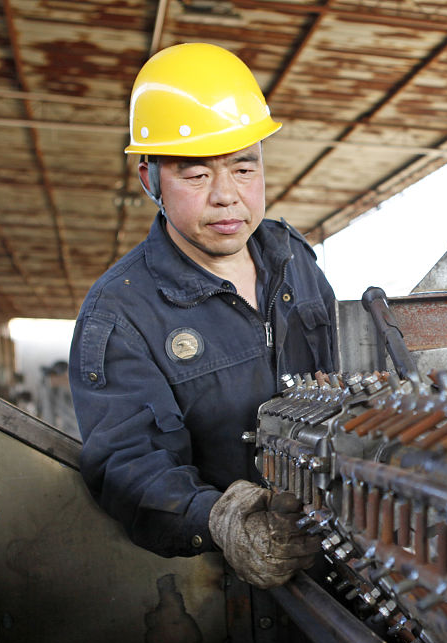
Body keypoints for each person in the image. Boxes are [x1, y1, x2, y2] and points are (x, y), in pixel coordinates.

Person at [69, 43, 338, 589]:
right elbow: (126, 465)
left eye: (244, 167)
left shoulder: (295, 259)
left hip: (341, 552)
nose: (227, 197)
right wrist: (220, 519)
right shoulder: (120, 314)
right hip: (225, 586)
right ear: (150, 180)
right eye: (195, 176)